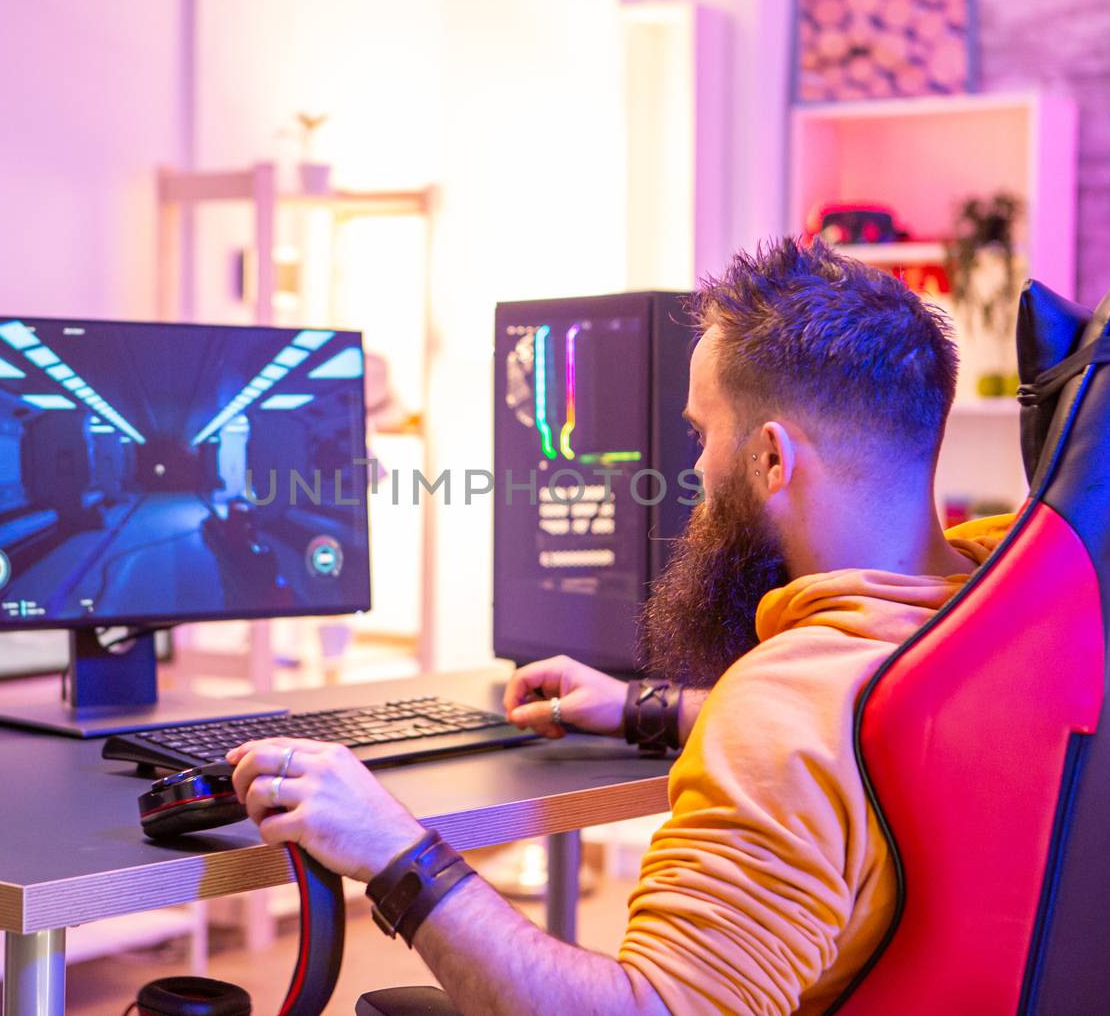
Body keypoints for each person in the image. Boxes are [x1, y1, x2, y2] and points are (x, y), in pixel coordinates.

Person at [225, 238, 1013, 1016]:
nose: (695, 472)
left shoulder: (784, 712)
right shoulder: (1007, 599)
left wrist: (396, 851)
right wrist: (648, 705)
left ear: (772, 460)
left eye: (702, 434)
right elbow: (866, 730)